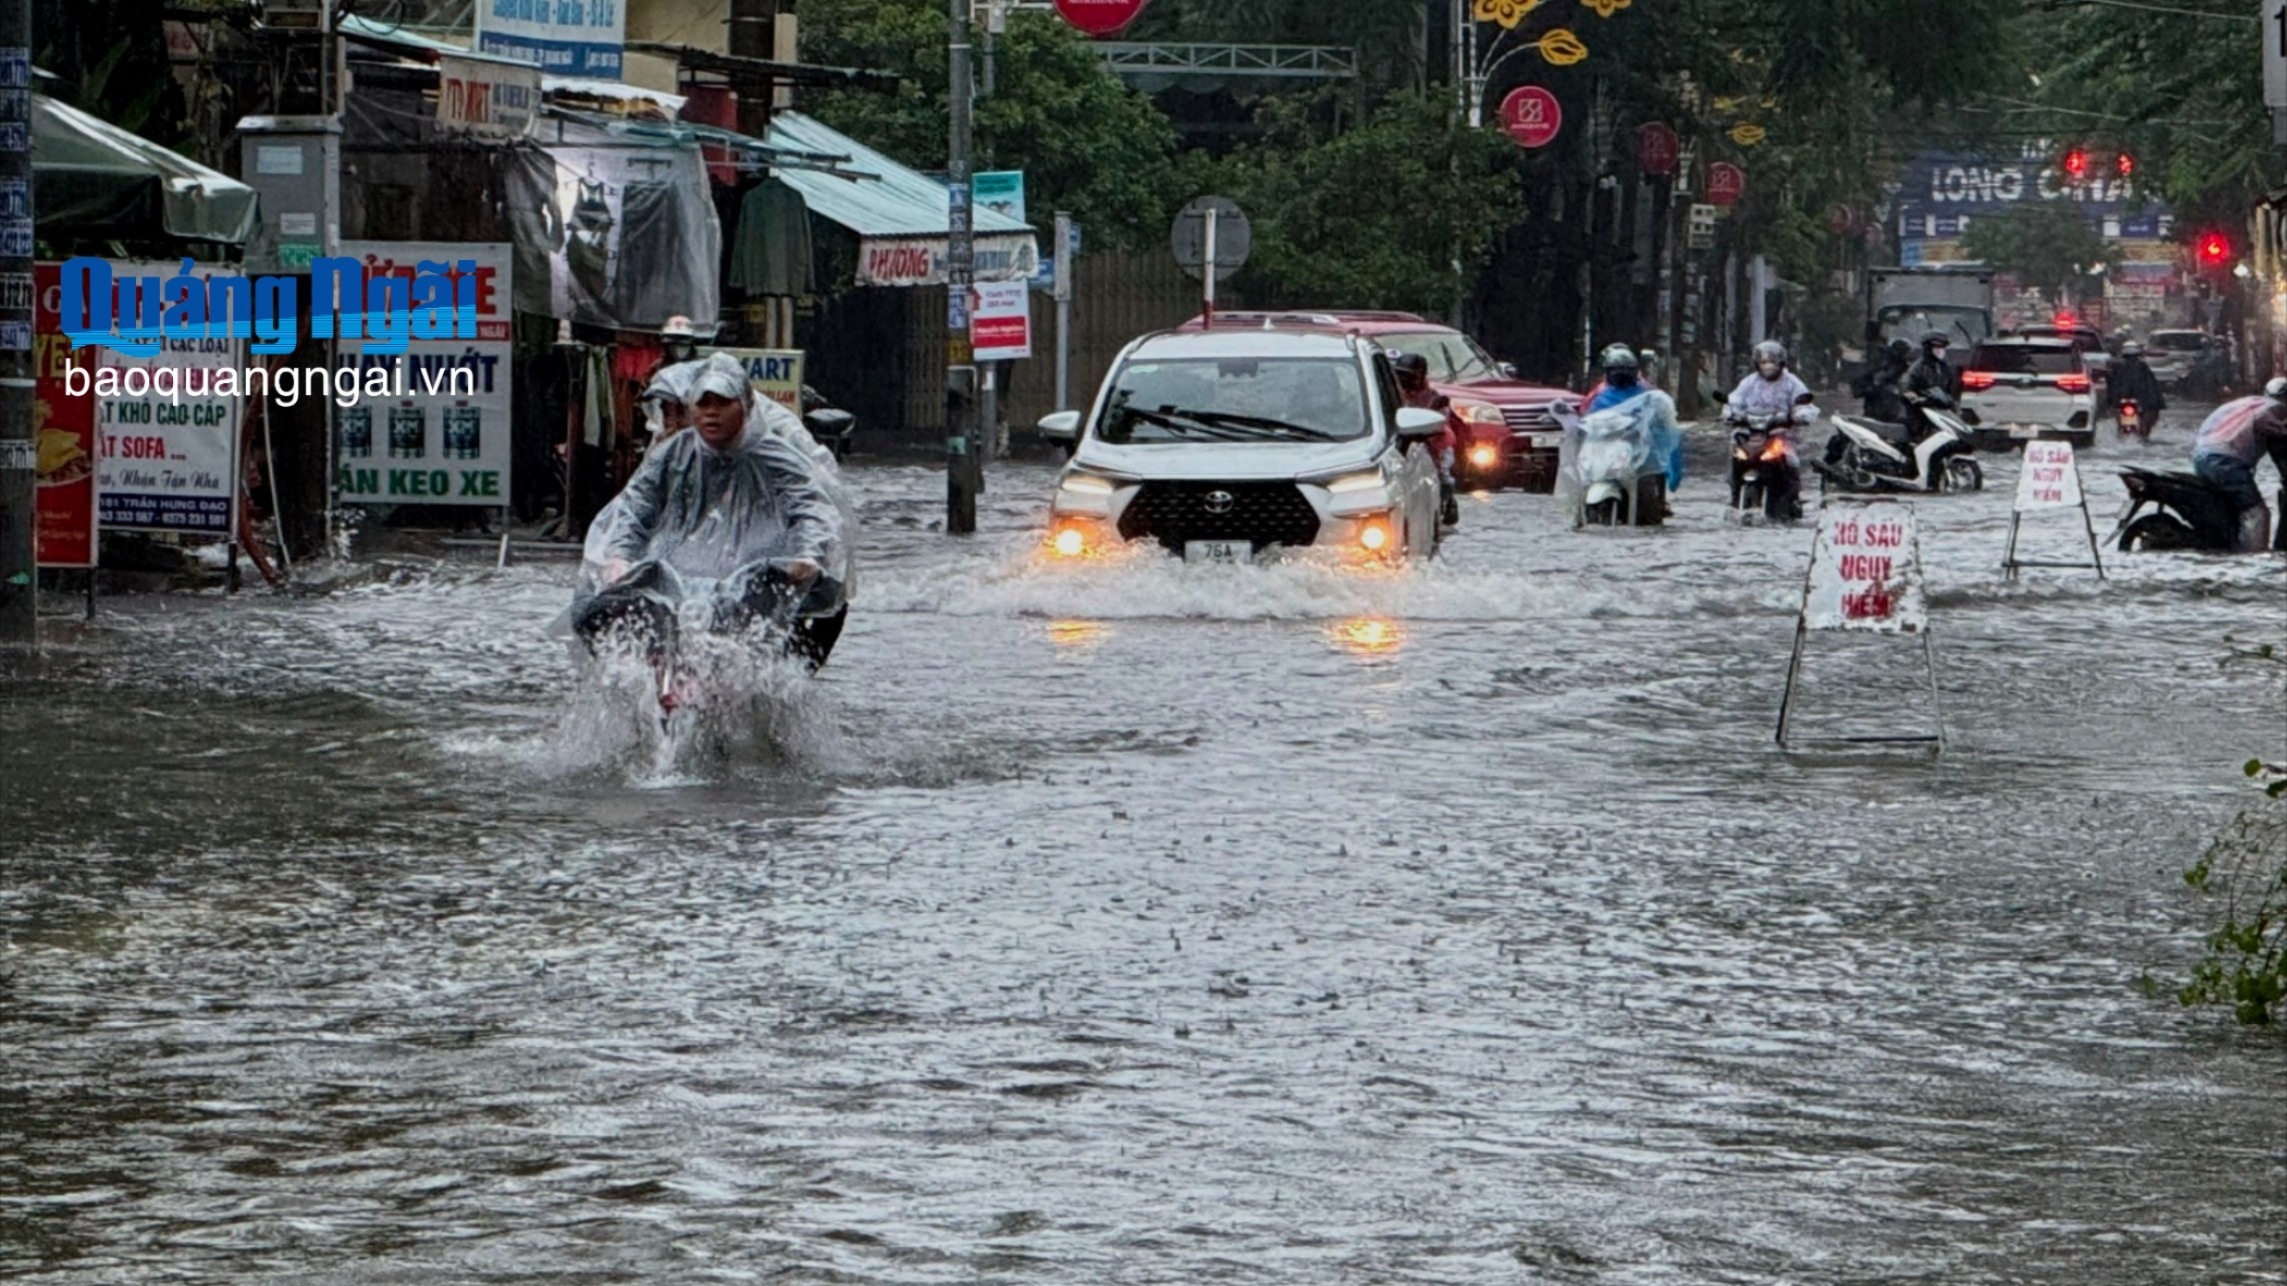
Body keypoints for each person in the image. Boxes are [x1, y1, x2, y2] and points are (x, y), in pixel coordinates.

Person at [591, 352, 842, 597]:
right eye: (703, 403)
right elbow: (636, 506)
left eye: (723, 402)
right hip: (680, 579)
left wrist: (808, 555)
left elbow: (811, 509)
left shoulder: (778, 457)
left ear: (746, 405)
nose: (712, 412)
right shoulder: (672, 454)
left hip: (758, 578)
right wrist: (618, 556)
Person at [1574, 343, 1683, 522]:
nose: (1620, 373)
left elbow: (1665, 426)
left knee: (1647, 501)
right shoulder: (1600, 397)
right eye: (1615, 369)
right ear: (1607, 372)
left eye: (1626, 369)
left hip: (1639, 458)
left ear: (1635, 371)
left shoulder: (1648, 396)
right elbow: (1587, 422)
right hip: (1606, 456)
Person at [2191, 379, 2287, 552]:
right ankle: (2253, 557)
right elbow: (2280, 433)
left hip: (2202, 458)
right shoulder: (2276, 409)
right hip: (2227, 462)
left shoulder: (2245, 404)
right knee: (2256, 512)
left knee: (2231, 509)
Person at [1723, 340, 1812, 520]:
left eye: (1772, 362)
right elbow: (1735, 401)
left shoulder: (1791, 383)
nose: (1768, 366)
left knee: (1790, 460)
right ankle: (1734, 494)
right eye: (1763, 362)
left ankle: (1791, 497)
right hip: (1752, 433)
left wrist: (1799, 414)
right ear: (1757, 364)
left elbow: (1804, 404)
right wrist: (1729, 413)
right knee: (1736, 452)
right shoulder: (1749, 383)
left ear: (1781, 363)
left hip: (1780, 433)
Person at [1391, 350, 1460, 526]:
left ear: (1420, 376)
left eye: (1409, 376)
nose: (1404, 380)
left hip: (1435, 442)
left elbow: (1441, 422)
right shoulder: (1391, 393)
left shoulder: (1434, 398)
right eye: (1400, 375)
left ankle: (1448, 501)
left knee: (1442, 471)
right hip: (1399, 442)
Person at [2107, 341, 2164, 431]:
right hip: (2135, 399)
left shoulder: (2118, 367)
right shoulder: (2142, 367)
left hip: (2127, 399)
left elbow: (2111, 385)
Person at [1852, 339, 1913, 423]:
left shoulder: (1907, 371)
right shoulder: (1879, 369)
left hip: (1897, 418)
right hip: (1876, 415)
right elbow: (1857, 391)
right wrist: (1876, 387)